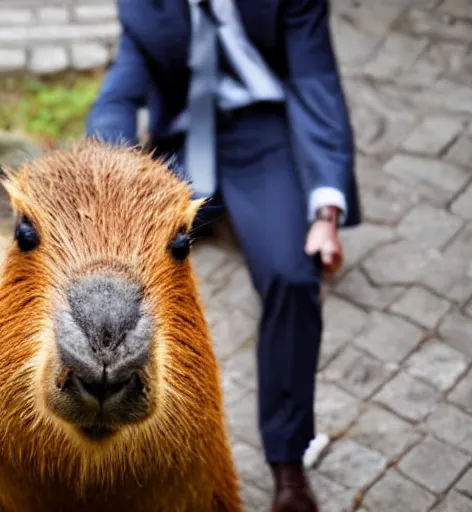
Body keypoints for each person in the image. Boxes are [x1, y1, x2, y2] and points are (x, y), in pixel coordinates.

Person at [86, 0, 361, 509]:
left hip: (265, 132)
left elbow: (317, 82)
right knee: (126, 274)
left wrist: (326, 210)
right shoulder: (145, 7)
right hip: (185, 142)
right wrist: (113, 176)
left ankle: (288, 465)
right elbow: (117, 97)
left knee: (292, 276)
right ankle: (135, 444)